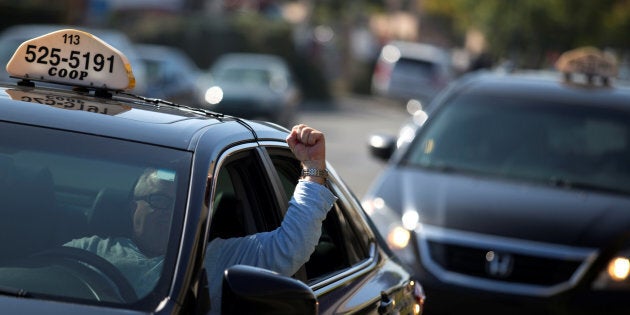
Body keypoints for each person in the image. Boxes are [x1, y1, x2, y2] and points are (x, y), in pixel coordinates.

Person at [65, 124, 336, 310]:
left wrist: (312, 167)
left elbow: (291, 245)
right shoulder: (89, 250)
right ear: (132, 208)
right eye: (158, 200)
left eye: (181, 203)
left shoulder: (219, 259)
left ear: (200, 210)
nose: (168, 212)